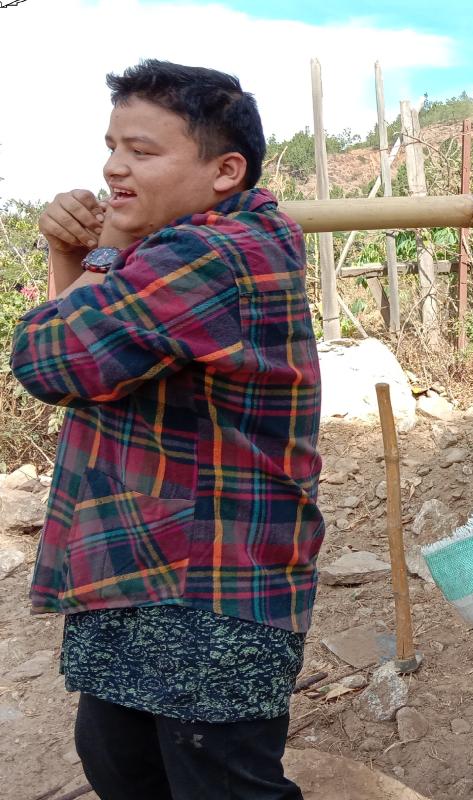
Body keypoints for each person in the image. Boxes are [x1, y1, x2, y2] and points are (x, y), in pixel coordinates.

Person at [11, 60, 322, 799]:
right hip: (147, 572)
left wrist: (102, 246)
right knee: (123, 765)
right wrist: (78, 256)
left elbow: (49, 359)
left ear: (225, 171)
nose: (115, 167)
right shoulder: (191, 245)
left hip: (207, 592)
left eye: (143, 151)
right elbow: (89, 375)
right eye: (112, 145)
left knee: (217, 785)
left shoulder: (209, 256)